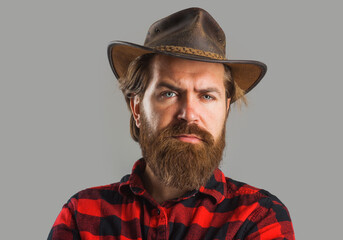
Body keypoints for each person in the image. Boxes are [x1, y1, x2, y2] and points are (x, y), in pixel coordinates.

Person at [48, 8, 295, 240]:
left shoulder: (259, 216)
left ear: (226, 110)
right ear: (136, 108)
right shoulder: (82, 215)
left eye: (207, 96)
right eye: (169, 94)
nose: (188, 114)